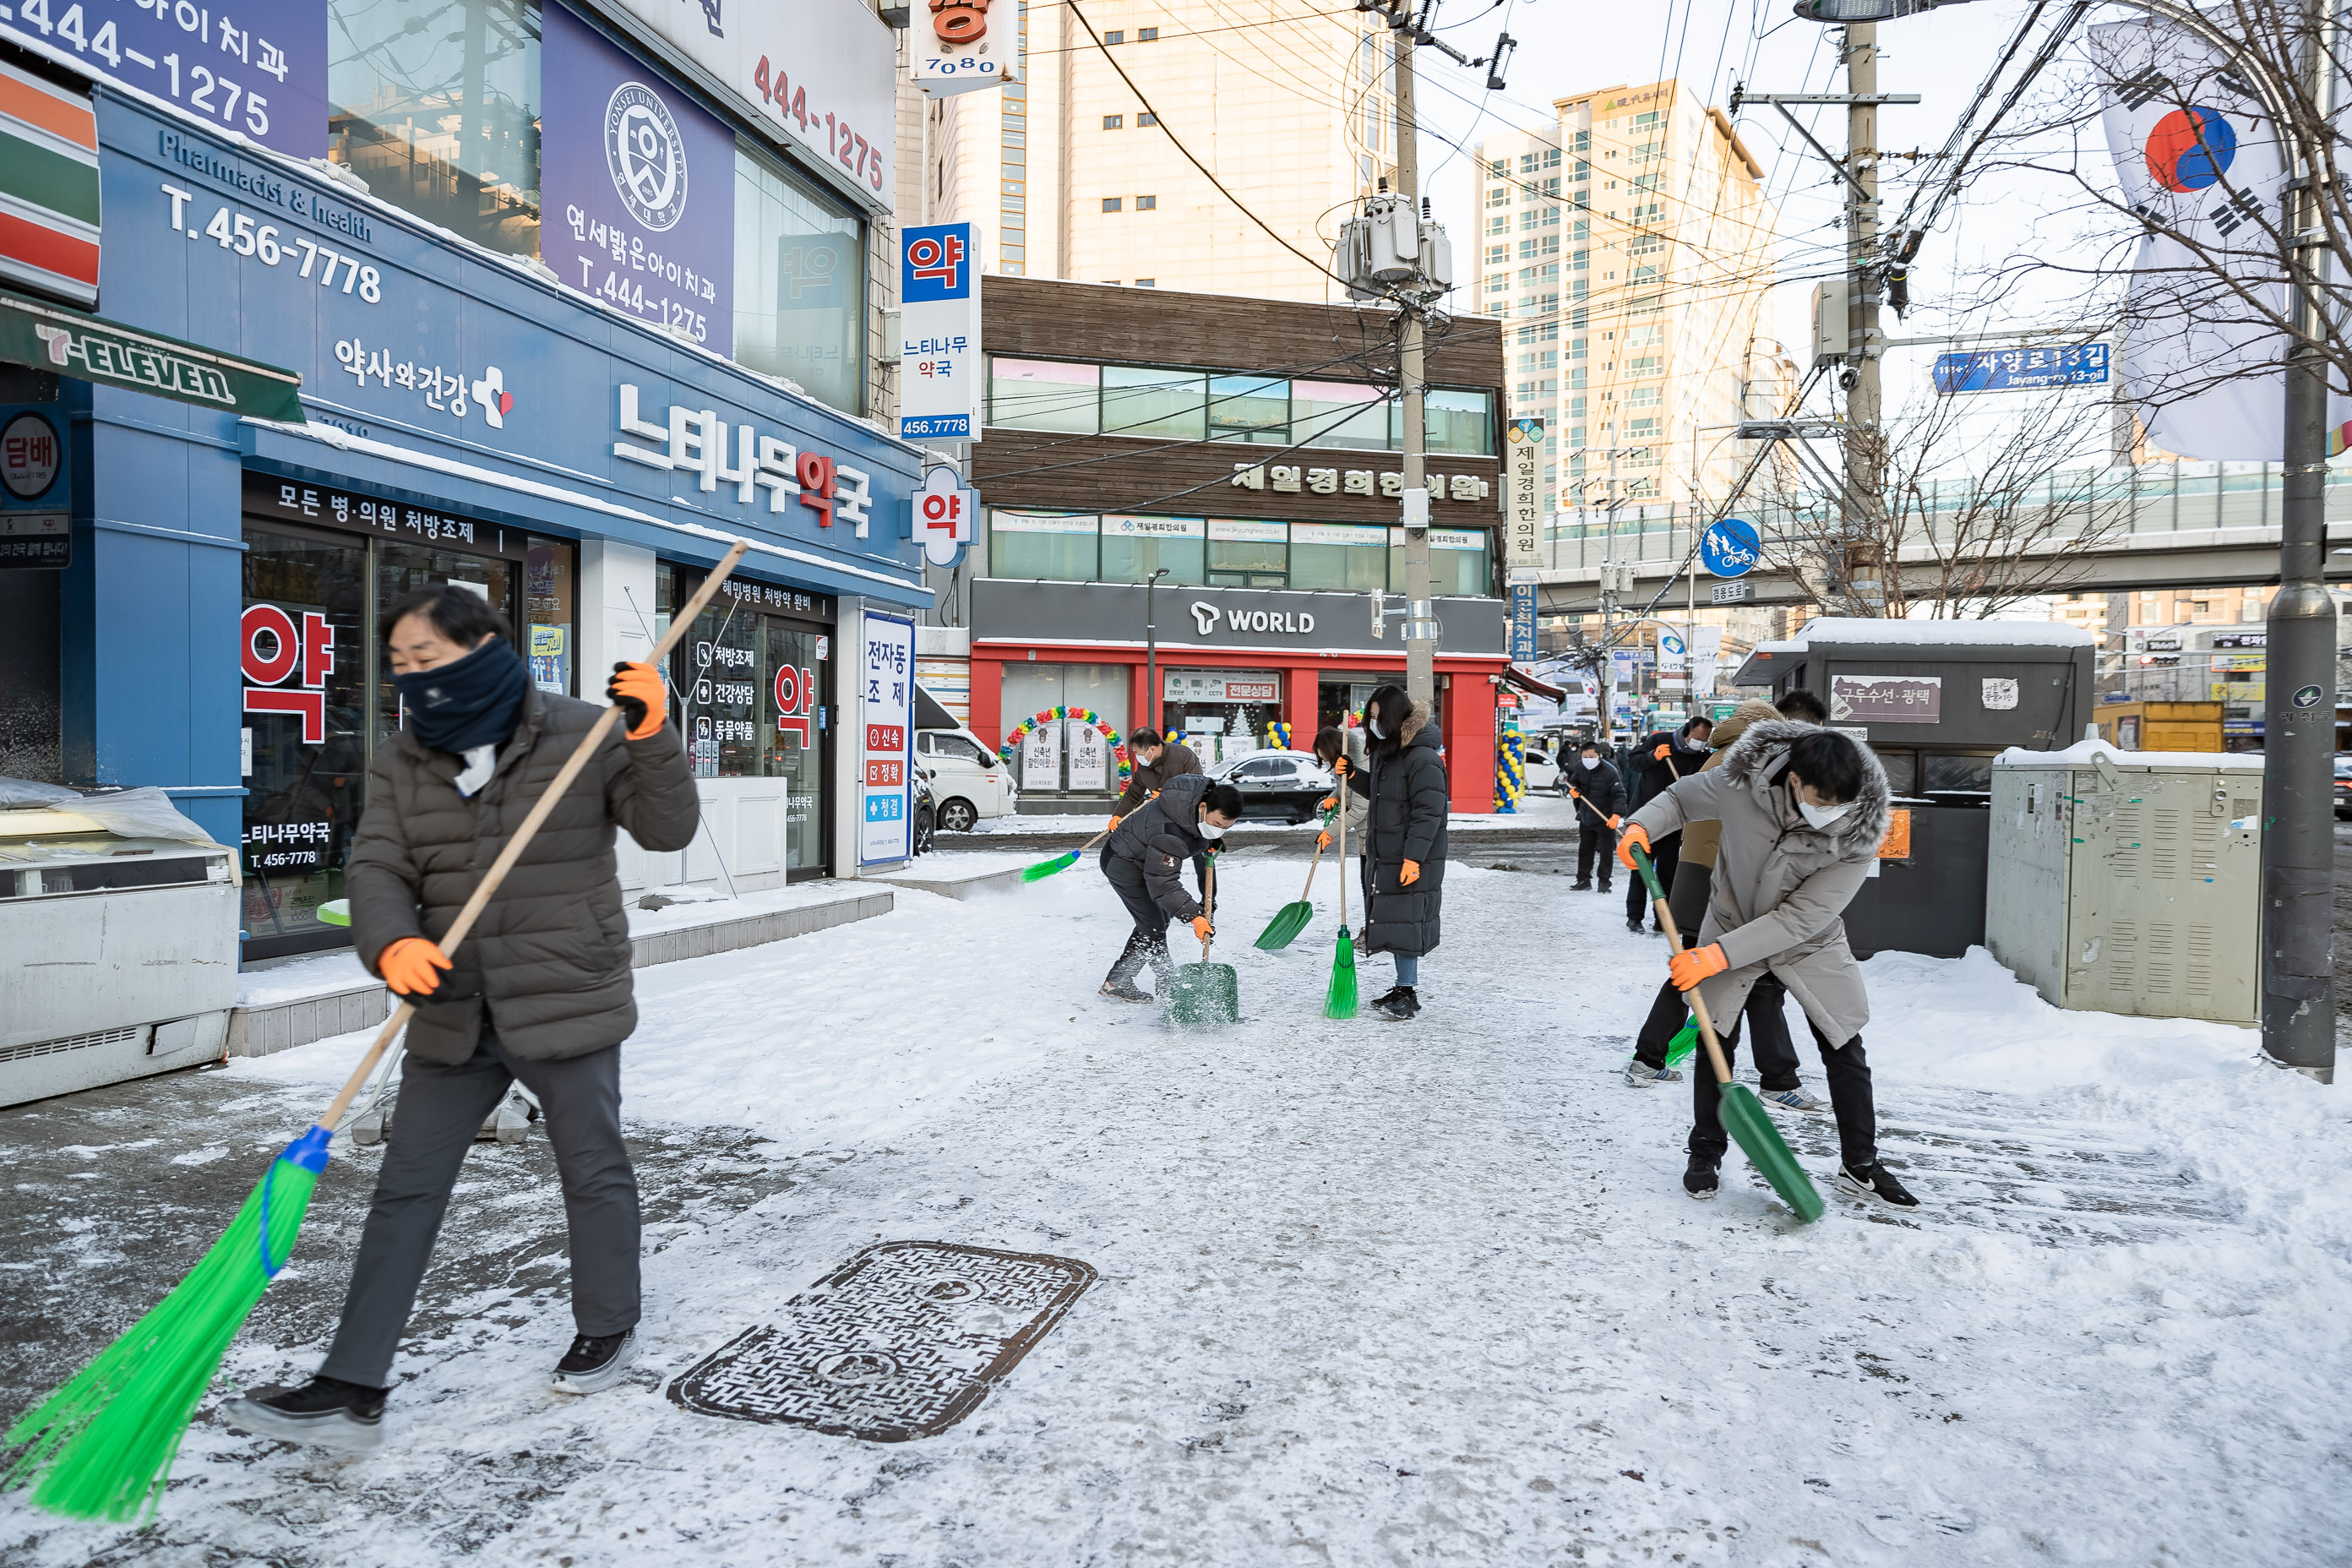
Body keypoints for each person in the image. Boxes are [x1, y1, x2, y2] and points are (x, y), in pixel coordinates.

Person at [225, 585, 700, 1451]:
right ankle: (351, 1385)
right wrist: (391, 943)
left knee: (591, 1167)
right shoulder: (403, 758)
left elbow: (668, 829)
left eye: (427, 658)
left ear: (483, 644)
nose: (413, 677)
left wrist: (650, 731)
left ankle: (608, 1320)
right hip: (452, 1005)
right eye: (400, 663)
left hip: (564, 991)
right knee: (406, 1187)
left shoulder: (583, 731)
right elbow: (376, 865)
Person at [1619, 722, 1919, 1211]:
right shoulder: (1742, 784)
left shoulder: (1860, 830)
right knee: (1716, 1037)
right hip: (1732, 919)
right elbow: (1680, 800)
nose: (1830, 815)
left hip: (1809, 942)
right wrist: (1640, 826)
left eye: (1840, 804)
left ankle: (1860, 1165)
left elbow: (1800, 917)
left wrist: (1714, 956)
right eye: (1822, 802)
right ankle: (1705, 1152)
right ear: (1795, 781)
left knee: (1843, 1041)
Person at [1620, 700, 1810, 1105]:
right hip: (1729, 883)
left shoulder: (1719, 758)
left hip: (1697, 875)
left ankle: (1649, 1057)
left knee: (1695, 971)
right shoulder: (1754, 766)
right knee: (1762, 977)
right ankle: (1779, 1081)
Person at [1097, 773, 1245, 1001]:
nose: (1219, 830)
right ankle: (1168, 987)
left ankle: (1118, 981)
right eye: (1216, 825)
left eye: (1225, 828)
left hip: (1142, 857)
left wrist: (1211, 839)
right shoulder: (1170, 831)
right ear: (1204, 808)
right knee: (1153, 925)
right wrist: (1194, 917)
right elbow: (1163, 883)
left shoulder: (1194, 801)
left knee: (1156, 922)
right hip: (1123, 863)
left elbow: (1194, 831)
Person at [1357, 682, 1448, 1022]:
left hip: (1411, 855)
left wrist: (1413, 858)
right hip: (1388, 853)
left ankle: (1408, 994)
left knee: (1406, 921)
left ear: (1396, 717)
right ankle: (1402, 987)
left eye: (1379, 717)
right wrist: (1353, 775)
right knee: (1396, 920)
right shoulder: (1388, 753)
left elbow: (1429, 812)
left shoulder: (1422, 757)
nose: (1374, 723)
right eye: (1371, 717)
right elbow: (1382, 794)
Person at [1622, 716, 1712, 934]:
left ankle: (1662, 919)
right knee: (1642, 869)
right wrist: (1653, 756)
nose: (1700, 742)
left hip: (1675, 821)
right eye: (1698, 738)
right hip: (1646, 817)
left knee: (1668, 872)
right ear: (1687, 732)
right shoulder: (1660, 741)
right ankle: (1634, 917)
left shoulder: (1702, 757)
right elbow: (1633, 762)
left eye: (1705, 739)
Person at [1565, 736, 1625, 891]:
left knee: (1606, 852)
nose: (1588, 760)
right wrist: (1574, 791)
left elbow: (1619, 794)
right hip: (1586, 815)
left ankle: (1604, 882)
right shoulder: (1580, 768)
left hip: (1605, 817)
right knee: (1585, 849)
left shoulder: (1610, 771)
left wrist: (1616, 815)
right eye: (1585, 757)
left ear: (1598, 756)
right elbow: (1573, 782)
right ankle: (1583, 879)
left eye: (1591, 757)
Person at [1310, 724, 1369, 849]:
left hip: (1376, 833)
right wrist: (1334, 797)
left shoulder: (1361, 764)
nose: (1326, 763)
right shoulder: (1342, 765)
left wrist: (1330, 833)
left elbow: (1360, 810)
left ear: (1336, 752)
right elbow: (1347, 789)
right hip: (1365, 834)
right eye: (1322, 759)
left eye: (1327, 758)